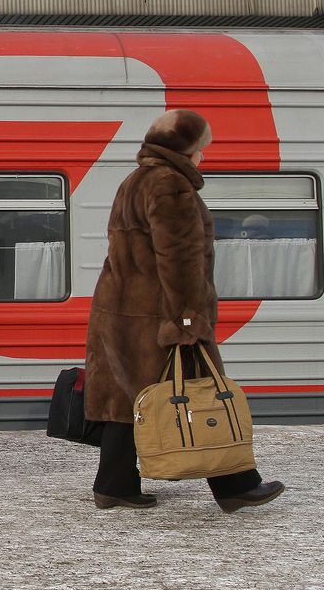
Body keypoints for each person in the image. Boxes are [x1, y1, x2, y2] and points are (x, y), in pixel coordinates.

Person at [84, 109, 284, 512]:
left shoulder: (134, 180)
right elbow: (179, 260)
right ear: (185, 150)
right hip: (164, 316)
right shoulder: (170, 186)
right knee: (207, 393)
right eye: (200, 149)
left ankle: (114, 485)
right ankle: (235, 485)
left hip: (121, 310)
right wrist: (188, 319)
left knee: (131, 399)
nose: (203, 157)